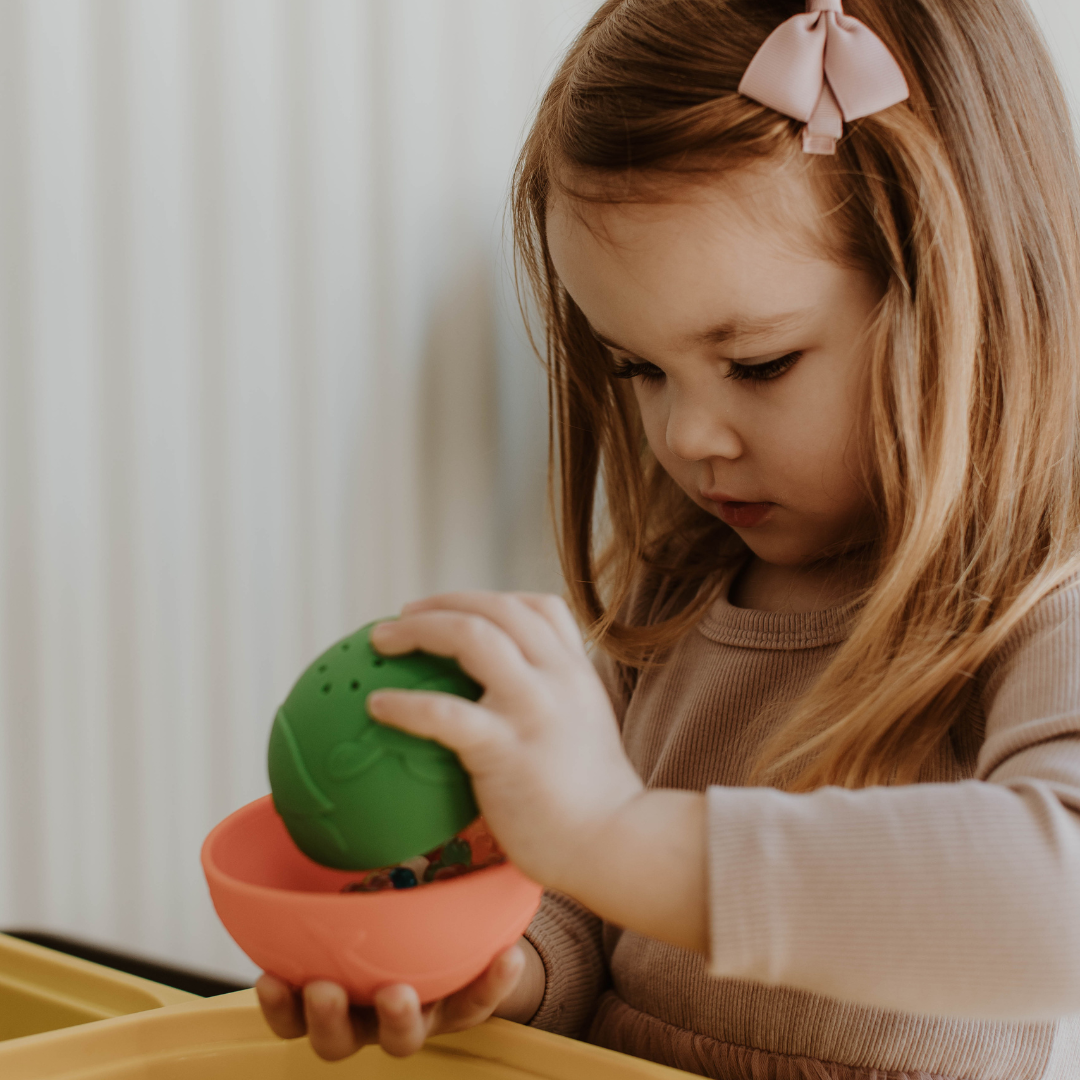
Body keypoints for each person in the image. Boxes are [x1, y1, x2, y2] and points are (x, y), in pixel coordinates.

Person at [256, 1, 1080, 1076]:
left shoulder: (1038, 605)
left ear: (960, 295)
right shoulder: (679, 594)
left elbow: (1055, 907)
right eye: (637, 368)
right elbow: (590, 924)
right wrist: (498, 966)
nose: (687, 439)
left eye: (759, 364)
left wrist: (616, 836)